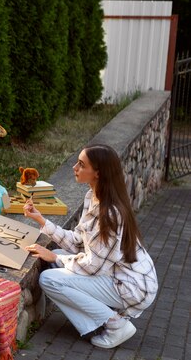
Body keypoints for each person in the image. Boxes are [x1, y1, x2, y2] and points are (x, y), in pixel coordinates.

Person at [23, 144, 158, 349]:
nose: (74, 168)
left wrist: (56, 258)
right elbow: (78, 242)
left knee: (49, 279)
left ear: (98, 173)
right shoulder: (92, 197)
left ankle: (115, 325)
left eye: (81, 164)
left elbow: (92, 266)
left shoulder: (110, 214)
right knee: (58, 257)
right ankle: (97, 323)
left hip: (132, 287)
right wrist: (42, 221)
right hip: (115, 274)